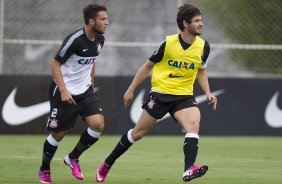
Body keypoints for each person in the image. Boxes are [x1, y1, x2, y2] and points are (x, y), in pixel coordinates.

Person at [96, 4, 217, 183]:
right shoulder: (168, 44)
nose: (201, 24)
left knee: (193, 125)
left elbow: (201, 71)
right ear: (185, 23)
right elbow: (147, 66)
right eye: (197, 21)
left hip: (184, 96)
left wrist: (208, 92)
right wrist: (131, 89)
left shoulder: (203, 46)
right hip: (160, 94)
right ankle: (107, 163)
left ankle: (188, 169)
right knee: (137, 133)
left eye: (201, 20)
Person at [38, 4, 109, 184]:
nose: (107, 23)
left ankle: (73, 157)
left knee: (98, 124)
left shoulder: (100, 39)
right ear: (91, 21)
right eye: (103, 19)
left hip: (85, 91)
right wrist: (63, 90)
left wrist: (91, 83)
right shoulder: (75, 40)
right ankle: (44, 168)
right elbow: (54, 64)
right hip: (64, 91)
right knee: (58, 134)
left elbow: (92, 61)